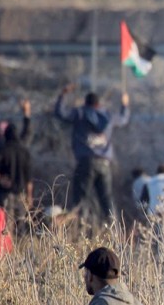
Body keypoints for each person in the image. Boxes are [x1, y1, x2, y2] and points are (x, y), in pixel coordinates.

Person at [55, 85, 130, 224]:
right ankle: (114, 232)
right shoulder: (108, 115)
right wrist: (125, 104)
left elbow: (61, 113)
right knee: (107, 200)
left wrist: (62, 95)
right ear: (98, 104)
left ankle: (79, 229)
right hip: (104, 163)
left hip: (85, 162)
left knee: (80, 200)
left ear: (86, 102)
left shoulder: (80, 113)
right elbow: (123, 119)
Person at [0, 124, 33, 233]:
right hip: (21, 194)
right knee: (21, 226)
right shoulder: (24, 152)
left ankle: (7, 248)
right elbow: (29, 178)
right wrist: (29, 196)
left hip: (6, 193)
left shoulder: (2, 150)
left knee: (7, 227)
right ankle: (20, 248)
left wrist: (0, 179)